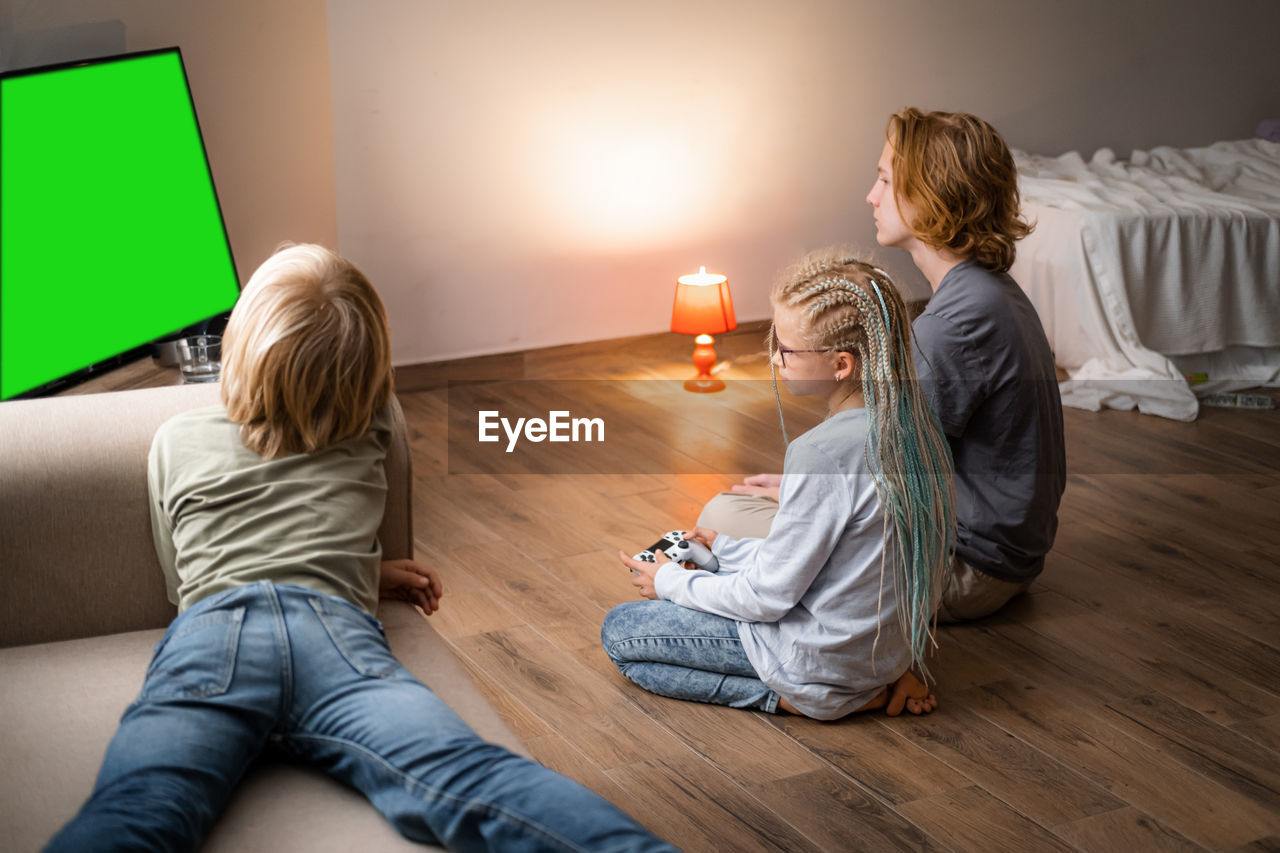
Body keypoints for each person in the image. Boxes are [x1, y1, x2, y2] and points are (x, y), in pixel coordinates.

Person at [46, 244, 673, 853]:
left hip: (216, 633)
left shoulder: (176, 436)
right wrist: (361, 572)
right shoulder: (370, 424)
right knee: (478, 785)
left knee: (141, 811)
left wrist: (354, 573)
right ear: (367, 370)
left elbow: (184, 584)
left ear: (240, 344)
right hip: (332, 634)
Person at [704, 108, 1066, 623]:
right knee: (755, 508)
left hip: (965, 570)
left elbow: (881, 469)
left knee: (723, 514)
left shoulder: (954, 326)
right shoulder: (989, 293)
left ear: (929, 195)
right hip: (1002, 557)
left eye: (883, 180)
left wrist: (804, 494)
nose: (871, 197)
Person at [603, 250, 955, 720]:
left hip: (821, 655)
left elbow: (767, 599)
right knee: (702, 578)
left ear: (842, 364)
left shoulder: (822, 454)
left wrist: (670, 581)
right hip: (884, 649)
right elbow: (823, 566)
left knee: (622, 634)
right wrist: (721, 552)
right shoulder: (917, 427)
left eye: (786, 349)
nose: (775, 357)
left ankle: (817, 697)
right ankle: (873, 681)